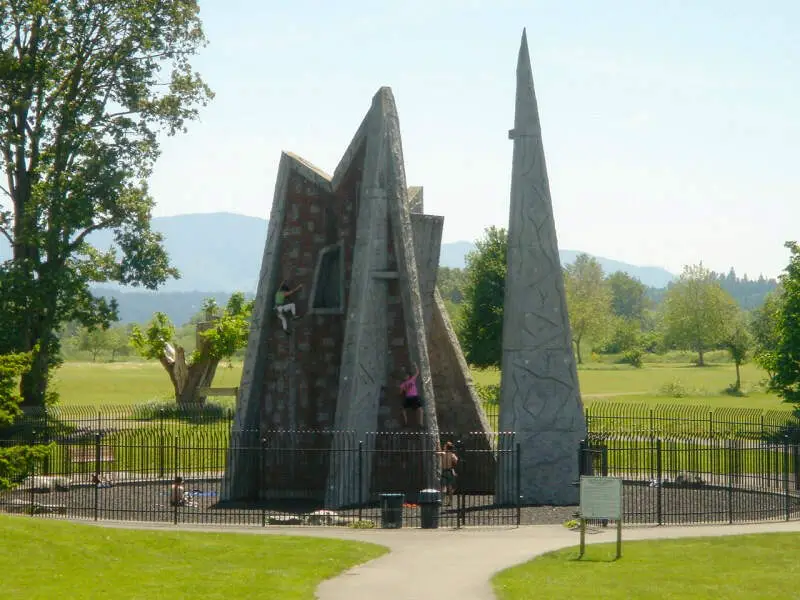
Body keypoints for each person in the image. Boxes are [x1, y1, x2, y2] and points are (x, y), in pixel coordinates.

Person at [399, 363, 422, 428]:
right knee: (403, 409)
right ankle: (406, 423)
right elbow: (400, 392)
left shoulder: (412, 379)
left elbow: (417, 372)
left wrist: (415, 365)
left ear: (409, 376)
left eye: (407, 375)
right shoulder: (402, 384)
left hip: (414, 397)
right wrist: (402, 390)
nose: (406, 376)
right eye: (404, 376)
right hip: (408, 398)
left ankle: (420, 424)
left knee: (420, 410)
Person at [438, 441, 459, 506]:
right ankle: (450, 502)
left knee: (442, 487)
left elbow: (437, 453)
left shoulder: (443, 453)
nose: (444, 446)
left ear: (447, 447)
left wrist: (437, 446)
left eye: (445, 446)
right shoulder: (452, 454)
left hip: (444, 471)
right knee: (449, 487)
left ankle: (441, 501)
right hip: (450, 471)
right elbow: (456, 461)